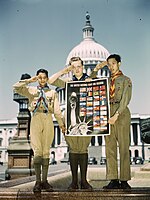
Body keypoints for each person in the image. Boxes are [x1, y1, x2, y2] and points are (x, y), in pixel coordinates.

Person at [49, 57, 104, 190]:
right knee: (73, 150)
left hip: (86, 120)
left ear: (83, 66)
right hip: (70, 121)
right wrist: (65, 70)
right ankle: (74, 181)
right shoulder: (68, 81)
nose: (77, 69)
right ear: (70, 68)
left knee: (83, 150)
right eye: (74, 67)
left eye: (79, 66)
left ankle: (84, 180)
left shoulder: (89, 80)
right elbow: (51, 81)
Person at [13, 69, 66, 193]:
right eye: (39, 77)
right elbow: (15, 87)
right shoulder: (31, 91)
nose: (42, 80)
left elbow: (57, 111)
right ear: (37, 78)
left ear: (47, 79)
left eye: (44, 78)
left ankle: (45, 181)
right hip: (36, 118)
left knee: (46, 150)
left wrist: (61, 125)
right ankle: (37, 181)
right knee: (37, 151)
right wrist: (29, 80)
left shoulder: (52, 92)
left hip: (48, 118)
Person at [93, 54, 132, 189]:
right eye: (108, 65)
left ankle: (124, 179)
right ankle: (113, 179)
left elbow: (126, 99)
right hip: (107, 113)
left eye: (113, 64)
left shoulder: (126, 80)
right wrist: (97, 68)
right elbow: (91, 81)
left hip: (121, 113)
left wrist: (117, 114)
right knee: (110, 148)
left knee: (124, 148)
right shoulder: (105, 82)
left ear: (119, 63)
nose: (110, 67)